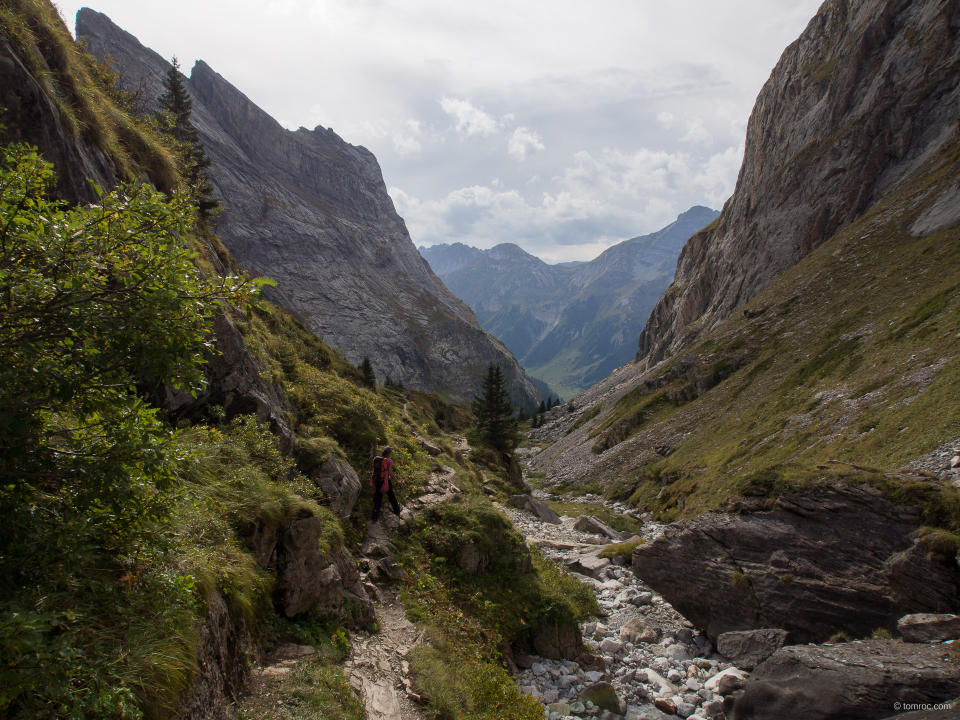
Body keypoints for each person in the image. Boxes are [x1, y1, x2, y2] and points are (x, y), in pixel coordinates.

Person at [370, 446, 401, 522]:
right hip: (386, 481)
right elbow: (390, 473)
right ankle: (397, 511)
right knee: (391, 497)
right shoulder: (389, 461)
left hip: (377, 480)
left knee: (378, 499)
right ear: (389, 453)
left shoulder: (377, 459)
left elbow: (375, 469)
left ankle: (374, 517)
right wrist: (397, 481)